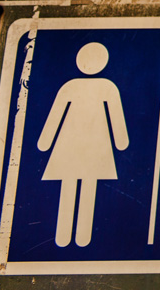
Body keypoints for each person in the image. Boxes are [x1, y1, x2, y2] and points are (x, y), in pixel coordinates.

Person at [37, 42, 129, 248]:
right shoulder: (106, 86)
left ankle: (71, 237)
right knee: (85, 185)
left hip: (78, 144)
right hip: (89, 144)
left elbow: (55, 117)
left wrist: (45, 142)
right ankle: (78, 238)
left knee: (75, 185)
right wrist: (121, 142)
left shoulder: (73, 86)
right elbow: (116, 120)